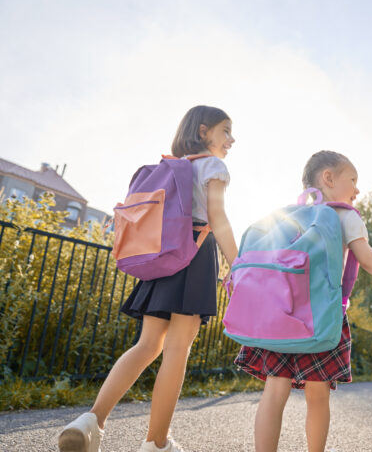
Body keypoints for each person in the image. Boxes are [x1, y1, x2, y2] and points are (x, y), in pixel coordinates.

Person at [234, 150, 372, 452]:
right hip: (320, 318)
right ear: (328, 178)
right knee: (317, 395)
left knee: (274, 388)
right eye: (353, 180)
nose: (358, 189)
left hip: (277, 315)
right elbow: (369, 261)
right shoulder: (344, 216)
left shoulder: (285, 216)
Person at [58, 105, 239, 452]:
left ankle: (91, 420)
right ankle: (156, 444)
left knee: (147, 345)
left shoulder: (172, 167)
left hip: (162, 258)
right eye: (226, 131)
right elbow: (218, 217)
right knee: (177, 349)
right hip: (194, 255)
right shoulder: (213, 166)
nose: (232, 139)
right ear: (204, 132)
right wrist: (239, 265)